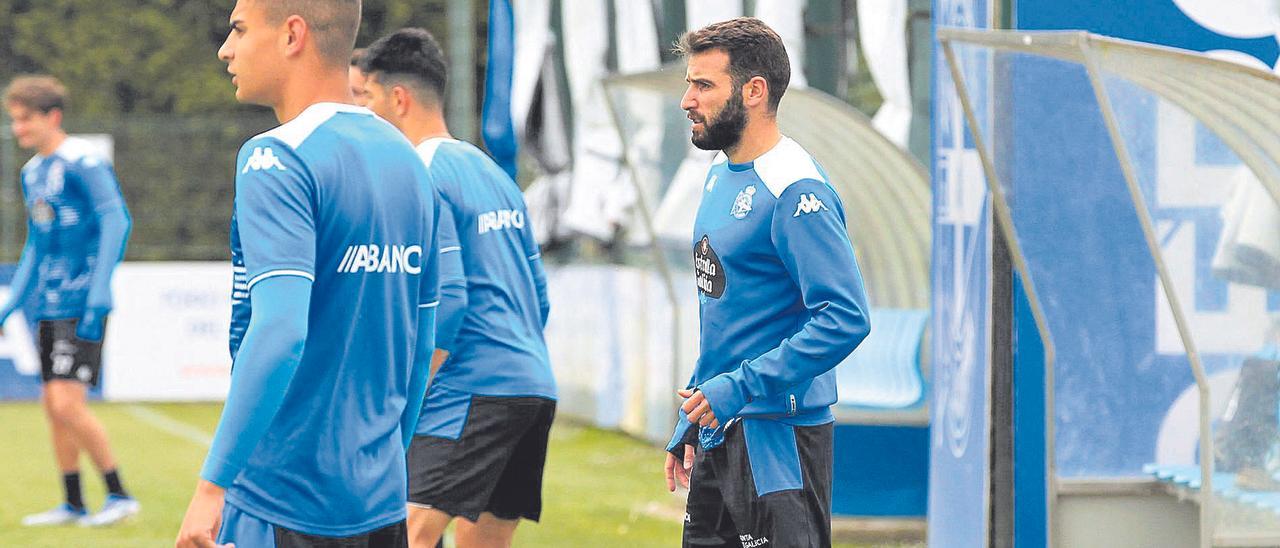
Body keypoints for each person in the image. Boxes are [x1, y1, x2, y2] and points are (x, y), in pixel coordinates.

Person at [175, 1, 440, 546]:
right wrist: (386, 462)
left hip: (280, 498)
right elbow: (420, 345)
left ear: (292, 34)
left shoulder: (276, 157)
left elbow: (278, 331)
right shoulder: (409, 161)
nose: (226, 50)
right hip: (380, 502)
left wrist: (211, 485)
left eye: (239, 30)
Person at [663, 17, 872, 547]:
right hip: (721, 428)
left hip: (777, 438)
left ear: (754, 91)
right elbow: (731, 315)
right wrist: (697, 410)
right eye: (689, 83)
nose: (688, 100)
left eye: (704, 85)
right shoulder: (719, 173)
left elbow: (845, 317)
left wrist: (738, 387)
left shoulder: (795, 189)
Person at [360, 28, 555, 548]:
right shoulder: (494, 175)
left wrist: (409, 392)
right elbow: (538, 295)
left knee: (407, 534)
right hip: (532, 384)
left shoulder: (418, 171)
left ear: (398, 98)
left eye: (367, 97)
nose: (363, 113)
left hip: (472, 386)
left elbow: (449, 300)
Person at [1, 75, 138, 528]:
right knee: (52, 405)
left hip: (81, 301)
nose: (18, 129)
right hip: (50, 302)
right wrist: (12, 302)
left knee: (67, 404)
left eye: (25, 119)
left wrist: (100, 290)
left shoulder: (83, 161)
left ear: (53, 116)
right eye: (14, 120)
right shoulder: (32, 173)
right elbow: (37, 244)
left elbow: (116, 220)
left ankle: (119, 496)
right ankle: (73, 503)